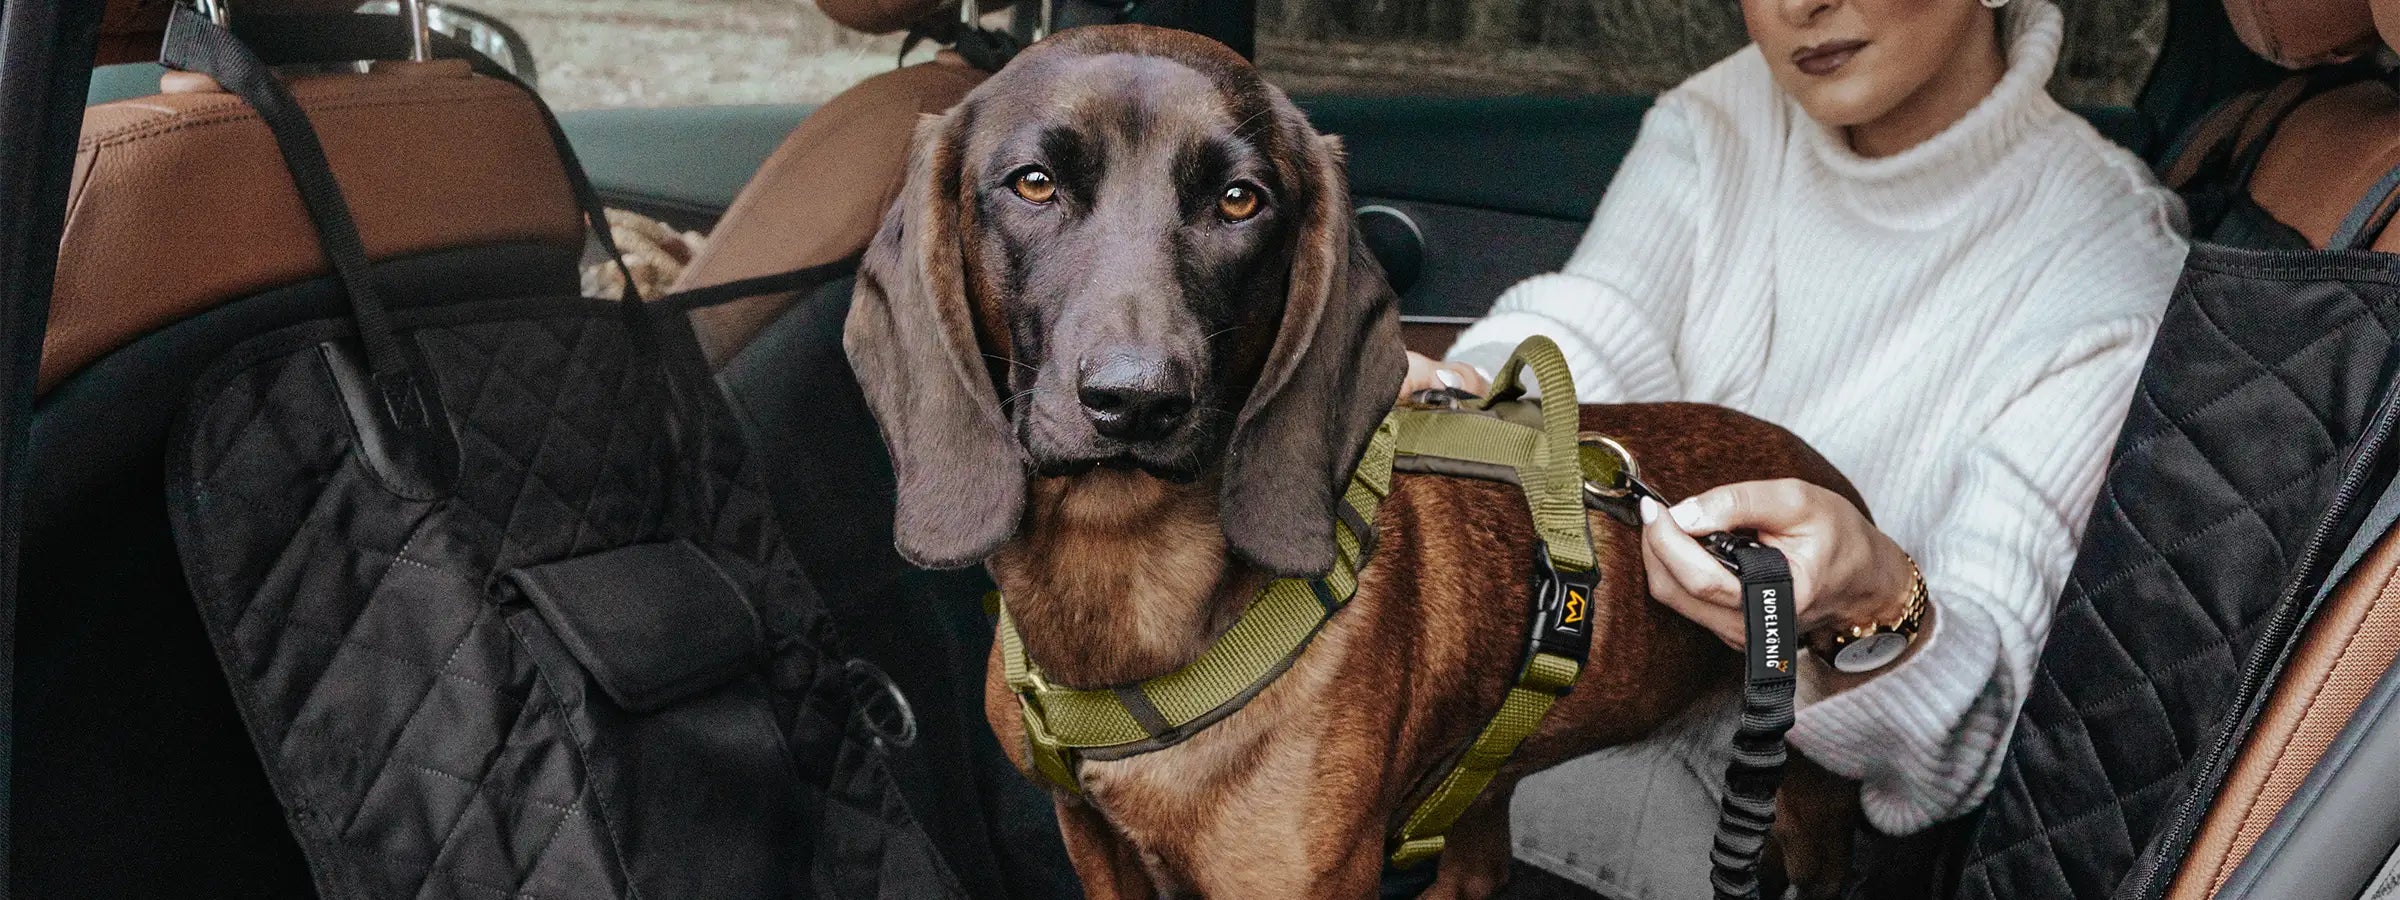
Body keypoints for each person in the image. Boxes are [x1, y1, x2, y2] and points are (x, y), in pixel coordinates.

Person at [1396, 0, 2189, 892]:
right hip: (1600, 696)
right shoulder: (1724, 115)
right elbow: (1599, 320)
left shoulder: (2113, 269)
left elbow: (1974, 727)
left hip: (1790, 794)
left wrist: (1871, 605)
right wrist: (1469, 395)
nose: (1797, 5)